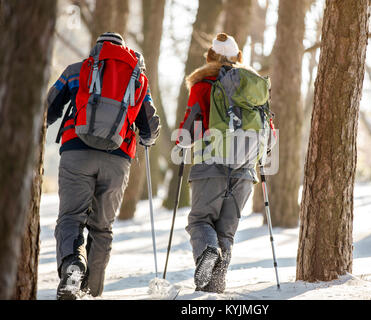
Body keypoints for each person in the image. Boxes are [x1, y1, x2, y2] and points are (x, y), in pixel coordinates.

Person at [46, 32, 161, 299]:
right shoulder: (137, 79)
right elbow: (150, 127)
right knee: (102, 227)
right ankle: (92, 292)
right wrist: (146, 138)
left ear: (96, 50)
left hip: (77, 151)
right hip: (118, 159)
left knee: (71, 218)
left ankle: (73, 266)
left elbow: (47, 109)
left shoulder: (77, 71)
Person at [177, 33, 276, 293]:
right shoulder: (253, 90)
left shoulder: (203, 85)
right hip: (245, 171)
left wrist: (181, 141)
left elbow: (189, 130)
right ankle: (215, 285)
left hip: (210, 164)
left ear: (209, 58)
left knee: (200, 221)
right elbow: (270, 136)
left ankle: (208, 252)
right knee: (226, 231)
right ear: (239, 58)